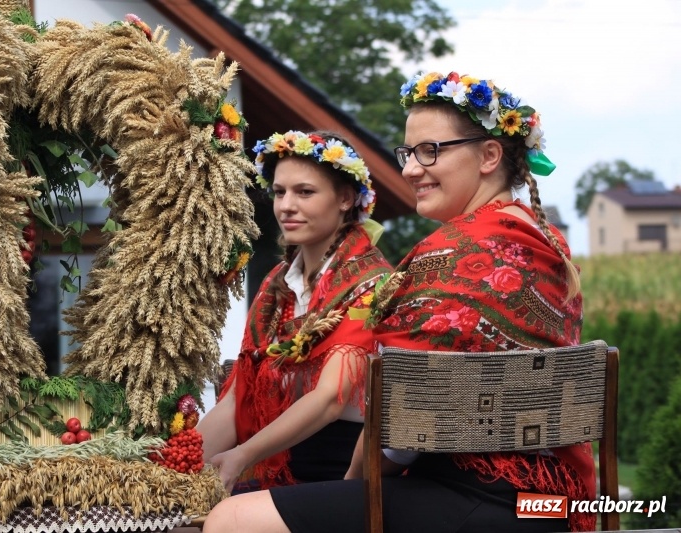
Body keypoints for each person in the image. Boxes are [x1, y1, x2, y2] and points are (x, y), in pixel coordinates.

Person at [202, 72, 595, 533]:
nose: (410, 169)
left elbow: (402, 418)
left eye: (430, 151)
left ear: (489, 155)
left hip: (485, 496)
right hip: (552, 502)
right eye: (408, 153)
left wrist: (353, 485)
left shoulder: (451, 255)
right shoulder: (545, 241)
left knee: (231, 518)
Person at [197, 130, 392, 493]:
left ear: (346, 199)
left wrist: (243, 455)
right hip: (276, 464)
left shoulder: (373, 284)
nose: (286, 205)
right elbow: (239, 397)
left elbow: (330, 399)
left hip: (343, 474)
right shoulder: (277, 284)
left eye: (305, 192)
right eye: (279, 192)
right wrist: (173, 466)